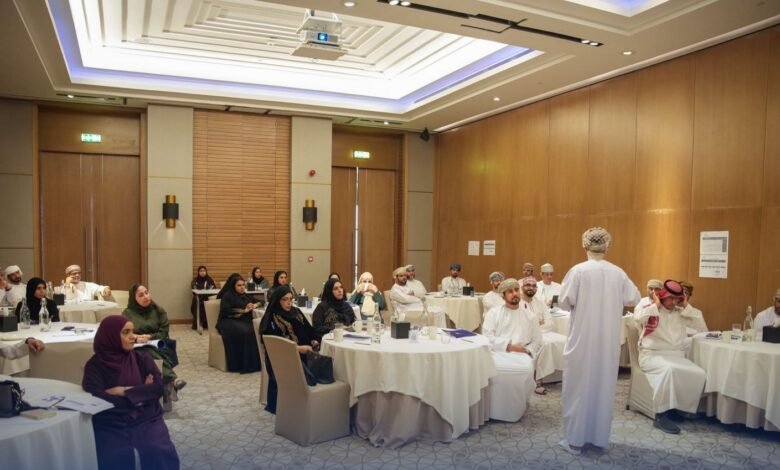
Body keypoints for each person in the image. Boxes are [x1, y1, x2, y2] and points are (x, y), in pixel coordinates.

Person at [558, 227, 641, 454]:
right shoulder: (618, 272)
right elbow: (634, 297)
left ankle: (575, 441)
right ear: (607, 247)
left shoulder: (578, 271)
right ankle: (598, 440)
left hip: (582, 340)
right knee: (603, 388)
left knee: (578, 388)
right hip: (607, 342)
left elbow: (564, 302)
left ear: (584, 245)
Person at [82, 315, 180, 470]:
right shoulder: (95, 366)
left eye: (133, 331)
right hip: (111, 420)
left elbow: (157, 388)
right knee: (113, 455)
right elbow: (97, 398)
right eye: (125, 332)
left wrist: (124, 391)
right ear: (111, 336)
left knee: (157, 449)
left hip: (147, 417)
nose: (133, 336)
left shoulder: (141, 358)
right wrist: (141, 393)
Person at [637, 280, 707, 434]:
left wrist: (686, 305)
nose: (674, 302)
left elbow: (701, 327)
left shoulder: (682, 312)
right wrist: (656, 305)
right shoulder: (650, 308)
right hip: (651, 355)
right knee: (670, 370)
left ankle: (676, 408)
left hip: (676, 356)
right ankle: (661, 415)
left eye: (677, 298)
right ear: (662, 296)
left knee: (699, 373)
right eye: (671, 298)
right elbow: (638, 318)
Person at [481, 278, 540, 422]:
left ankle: (516, 408)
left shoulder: (530, 316)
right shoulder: (493, 313)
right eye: (510, 291)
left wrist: (527, 351)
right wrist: (509, 346)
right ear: (503, 295)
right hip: (497, 352)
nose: (515, 294)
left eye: (516, 290)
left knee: (525, 369)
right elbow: (486, 337)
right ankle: (493, 410)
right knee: (489, 368)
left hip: (521, 354)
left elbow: (538, 340)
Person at [123, 284, 186, 411]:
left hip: (160, 344)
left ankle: (169, 383)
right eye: (141, 295)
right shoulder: (127, 314)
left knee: (151, 351)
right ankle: (172, 380)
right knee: (146, 352)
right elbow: (124, 333)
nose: (146, 297)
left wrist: (150, 337)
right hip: (138, 346)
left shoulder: (159, 311)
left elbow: (164, 332)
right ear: (134, 299)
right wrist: (137, 338)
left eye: (147, 293)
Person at [260, 286, 322, 414]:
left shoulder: (296, 312)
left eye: (290, 299)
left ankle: (313, 401)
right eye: (285, 300)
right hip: (283, 357)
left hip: (306, 351)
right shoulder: (272, 317)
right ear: (277, 300)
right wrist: (297, 349)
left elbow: (309, 330)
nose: (289, 303)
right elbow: (275, 344)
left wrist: (314, 340)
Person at [520, 276, 565, 395]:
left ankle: (565, 375)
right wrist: (538, 323)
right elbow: (522, 325)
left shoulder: (540, 303)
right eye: (528, 285)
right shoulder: (518, 303)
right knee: (545, 344)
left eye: (534, 286)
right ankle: (538, 380)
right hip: (527, 336)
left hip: (544, 332)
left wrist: (536, 325)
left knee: (565, 341)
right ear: (522, 287)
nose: (531, 288)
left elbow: (550, 322)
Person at [216, 274, 260, 374]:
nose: (242, 287)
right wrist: (243, 311)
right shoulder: (227, 295)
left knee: (254, 330)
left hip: (242, 320)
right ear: (233, 286)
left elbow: (260, 301)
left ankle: (253, 364)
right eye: (239, 285)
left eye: (243, 285)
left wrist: (254, 305)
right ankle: (239, 364)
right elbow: (226, 311)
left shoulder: (245, 295)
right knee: (245, 332)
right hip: (227, 321)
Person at [190, 265, 215, 329]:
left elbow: (212, 288)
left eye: (204, 271)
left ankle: (205, 323)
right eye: (201, 271)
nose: (202, 272)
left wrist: (204, 290)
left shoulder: (209, 280)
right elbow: (194, 288)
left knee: (206, 301)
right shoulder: (195, 280)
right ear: (198, 272)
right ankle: (198, 323)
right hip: (198, 297)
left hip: (207, 297)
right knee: (196, 301)